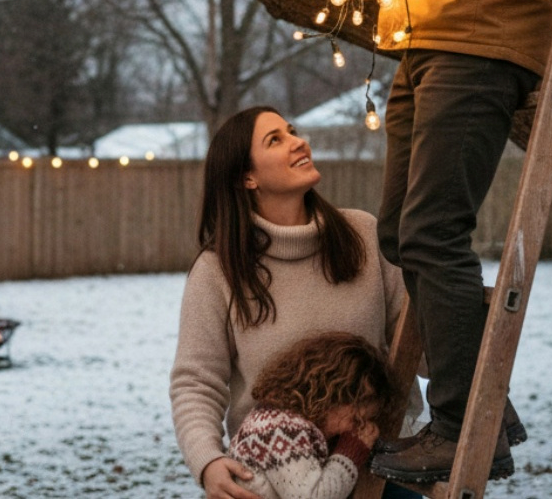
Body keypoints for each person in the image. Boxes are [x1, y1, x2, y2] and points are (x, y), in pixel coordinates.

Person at [339, 0, 552, 485]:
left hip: (481, 35)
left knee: (432, 231)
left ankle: (462, 426)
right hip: (425, 35)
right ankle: (483, 401)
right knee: (400, 233)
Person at [170, 105, 423, 499]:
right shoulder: (218, 269)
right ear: (247, 177)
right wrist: (208, 461)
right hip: (278, 480)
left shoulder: (363, 235)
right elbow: (196, 381)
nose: (298, 142)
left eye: (291, 131)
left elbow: (415, 343)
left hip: (381, 467)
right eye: (276, 140)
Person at [228, 331, 400, 499]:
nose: (357, 429)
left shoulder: (281, 419)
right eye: (356, 420)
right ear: (331, 395)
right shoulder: (282, 428)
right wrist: (350, 451)